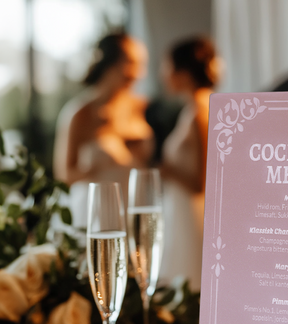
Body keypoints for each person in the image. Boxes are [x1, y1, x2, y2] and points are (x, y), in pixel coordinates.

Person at [53, 32, 153, 226]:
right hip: (97, 213)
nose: (138, 73)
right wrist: (95, 166)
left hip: (137, 207)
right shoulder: (80, 114)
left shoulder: (142, 107)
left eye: (141, 65)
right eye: (131, 63)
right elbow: (64, 177)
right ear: (109, 63)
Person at [157, 37, 219, 292]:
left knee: (190, 283)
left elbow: (203, 180)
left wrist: (164, 169)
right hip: (181, 210)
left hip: (192, 213)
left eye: (167, 67)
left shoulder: (200, 112)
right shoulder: (194, 108)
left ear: (182, 72)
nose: (164, 75)